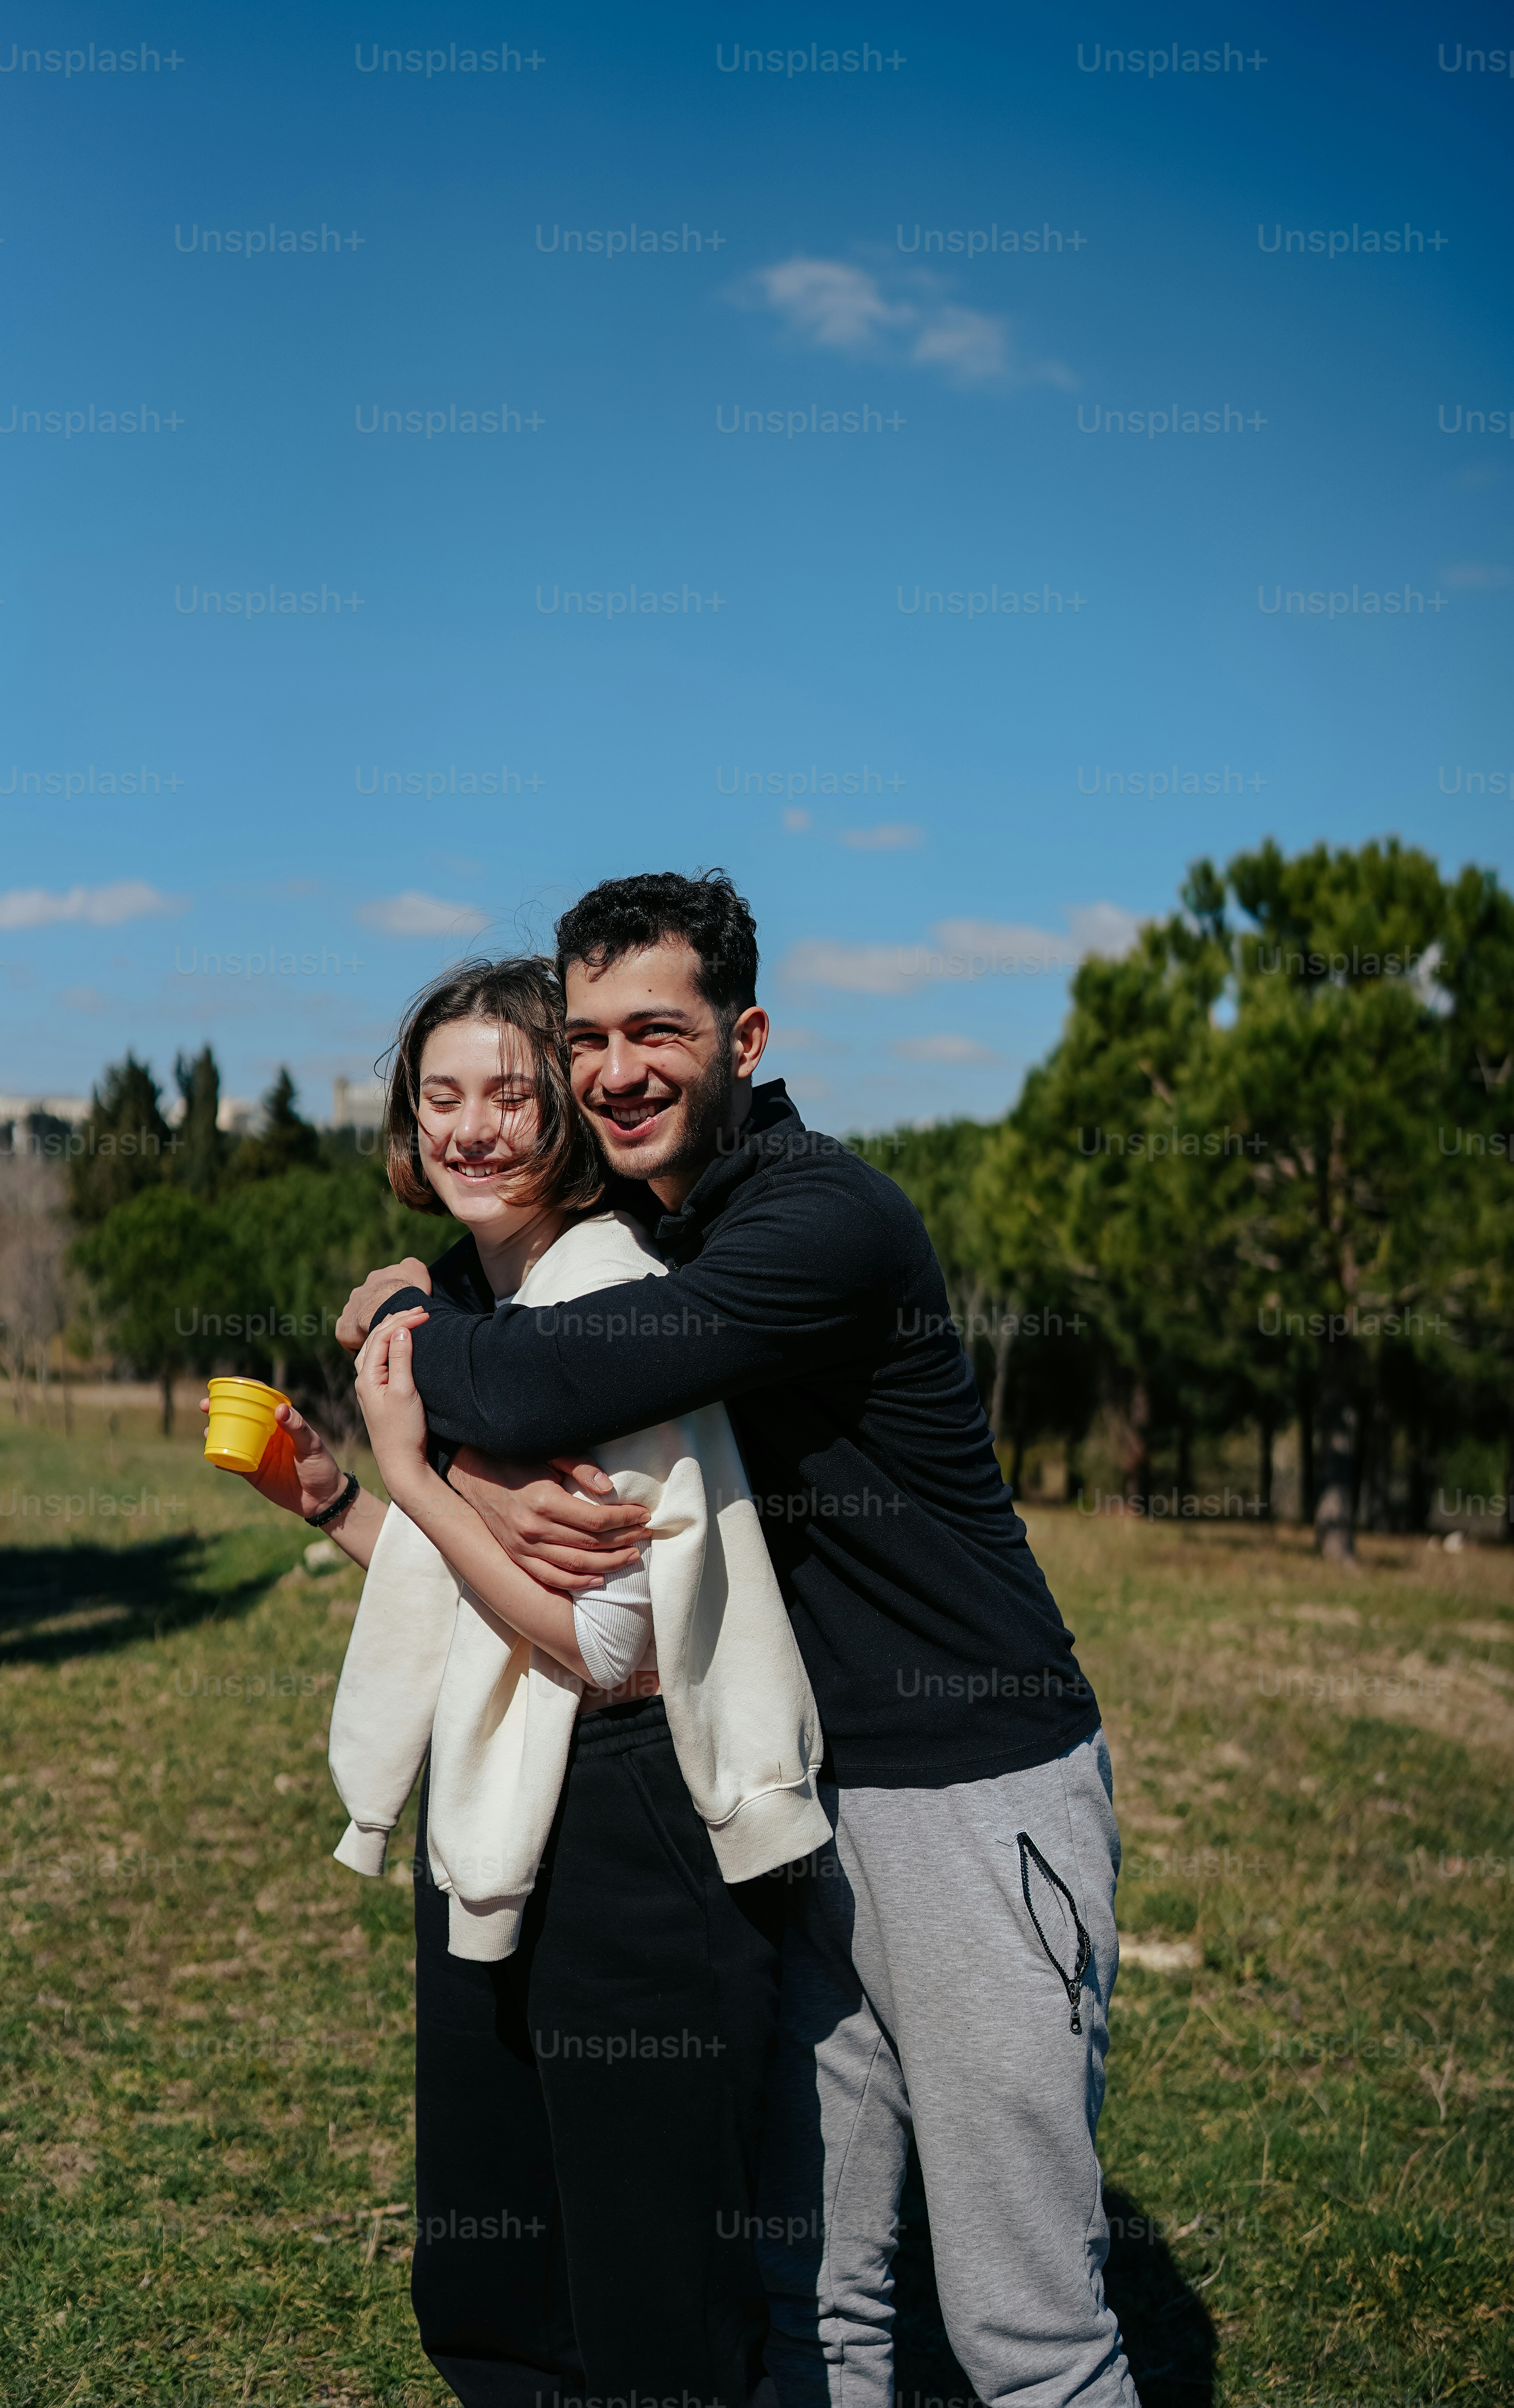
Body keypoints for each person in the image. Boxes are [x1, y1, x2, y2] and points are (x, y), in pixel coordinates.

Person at [339, 871, 1142, 2408]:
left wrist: (409, 1368)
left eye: (661, 1030)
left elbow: (526, 1381)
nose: (618, 1070)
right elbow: (489, 1287)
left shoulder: (819, 1223)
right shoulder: (645, 1217)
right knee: (808, 2299)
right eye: (588, 1039)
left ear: (748, 1037)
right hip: (781, 1813)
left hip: (970, 1794)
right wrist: (402, 1302)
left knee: (1021, 2328)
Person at [208, 954, 829, 2408]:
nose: (470, 1128)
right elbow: (486, 1606)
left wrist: (423, 1477)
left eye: (508, 1093)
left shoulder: (604, 1301)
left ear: (565, 1110)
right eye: (439, 1097)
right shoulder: (474, 1312)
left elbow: (603, 1650)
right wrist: (338, 1504)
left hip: (631, 1829)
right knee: (500, 2269)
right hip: (504, 1814)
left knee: (646, 2292)